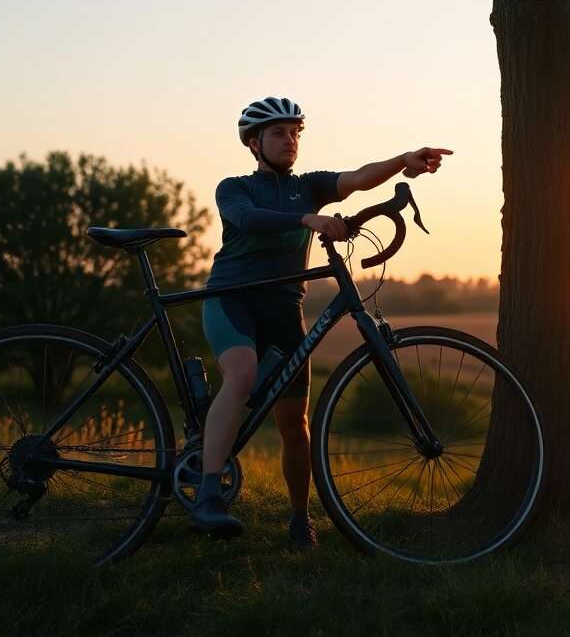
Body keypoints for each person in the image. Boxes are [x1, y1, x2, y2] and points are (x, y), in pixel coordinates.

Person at [190, 95, 452, 548]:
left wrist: (404, 159)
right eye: (278, 132)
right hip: (232, 300)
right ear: (253, 143)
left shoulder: (308, 184)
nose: (290, 139)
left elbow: (358, 178)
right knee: (242, 375)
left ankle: (299, 518)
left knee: (296, 422)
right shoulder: (233, 187)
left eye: (295, 132)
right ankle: (209, 495)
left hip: (285, 309)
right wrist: (307, 218)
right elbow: (246, 219)